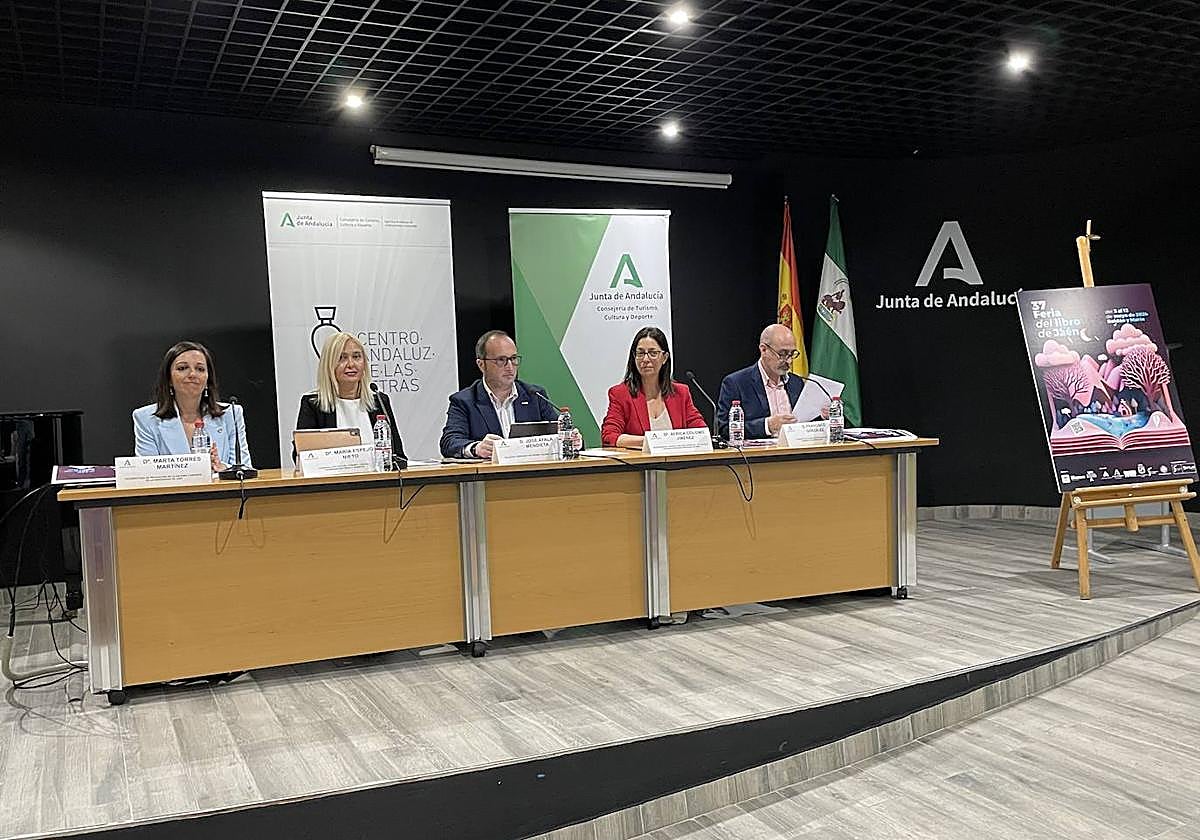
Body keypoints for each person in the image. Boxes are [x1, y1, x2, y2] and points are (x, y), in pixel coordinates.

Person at [439, 330, 563, 460]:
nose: (509, 367)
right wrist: (476, 448)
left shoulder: (535, 396)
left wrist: (571, 439)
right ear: (481, 365)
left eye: (513, 359)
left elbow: (558, 434)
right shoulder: (464, 401)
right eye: (501, 360)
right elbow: (449, 442)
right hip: (491, 477)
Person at [132, 340, 252, 471]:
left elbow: (244, 469)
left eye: (200, 369)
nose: (192, 374)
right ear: (169, 379)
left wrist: (222, 468)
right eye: (182, 368)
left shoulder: (231, 414)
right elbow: (147, 473)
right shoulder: (145, 418)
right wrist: (195, 470)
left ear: (207, 380)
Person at [295, 332, 406, 467]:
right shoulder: (313, 403)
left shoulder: (379, 401)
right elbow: (302, 457)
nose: (351, 364)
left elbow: (398, 456)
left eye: (356, 357)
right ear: (329, 364)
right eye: (342, 358)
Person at [601, 327, 707, 449]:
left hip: (677, 467)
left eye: (653, 353)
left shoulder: (681, 393)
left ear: (664, 357)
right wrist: (653, 441)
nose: (645, 359)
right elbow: (609, 437)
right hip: (639, 466)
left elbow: (701, 433)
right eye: (640, 353)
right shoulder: (620, 394)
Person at [716, 323, 826, 440]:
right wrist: (767, 425)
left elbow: (803, 422)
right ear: (763, 350)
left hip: (796, 452)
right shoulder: (737, 383)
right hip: (759, 456)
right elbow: (724, 429)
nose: (788, 361)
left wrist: (822, 417)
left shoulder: (796, 382)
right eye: (782, 354)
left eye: (792, 354)